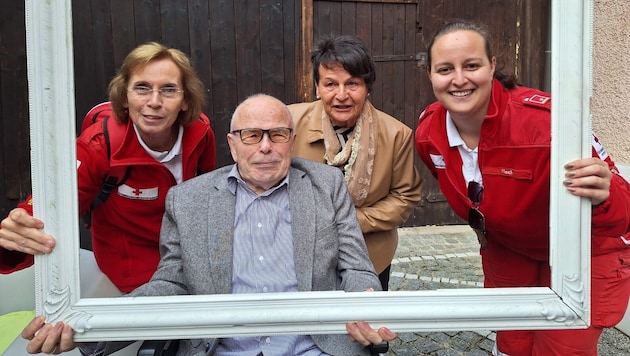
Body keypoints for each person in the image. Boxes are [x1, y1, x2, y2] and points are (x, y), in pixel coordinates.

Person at [22, 93, 396, 355]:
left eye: (277, 135)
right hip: (222, 349)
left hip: (315, 348)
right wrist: (87, 330)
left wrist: (367, 305)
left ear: (291, 141)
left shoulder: (325, 185)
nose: (265, 146)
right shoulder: (189, 199)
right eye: (252, 135)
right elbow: (171, 284)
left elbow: (357, 267)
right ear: (233, 145)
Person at [415, 20, 630, 356]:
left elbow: (624, 208)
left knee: (561, 348)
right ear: (430, 74)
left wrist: (605, 194)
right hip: (510, 248)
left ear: (492, 66)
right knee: (514, 344)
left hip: (585, 249)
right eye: (445, 69)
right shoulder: (428, 134)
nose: (458, 79)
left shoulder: (551, 123)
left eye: (471, 65)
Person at [0, 42, 217, 293]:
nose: (154, 101)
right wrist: (16, 236)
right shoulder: (97, 148)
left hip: (188, 253)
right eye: (142, 88)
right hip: (130, 262)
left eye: (168, 90)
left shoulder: (200, 133)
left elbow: (206, 198)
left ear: (185, 101)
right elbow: (50, 209)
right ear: (125, 97)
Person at [289, 35, 422, 291]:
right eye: (330, 84)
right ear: (317, 87)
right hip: (300, 254)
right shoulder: (288, 123)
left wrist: (355, 221)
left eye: (352, 84)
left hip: (369, 255)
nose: (341, 95)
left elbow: (405, 197)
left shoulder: (396, 135)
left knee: (364, 327)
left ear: (367, 87)